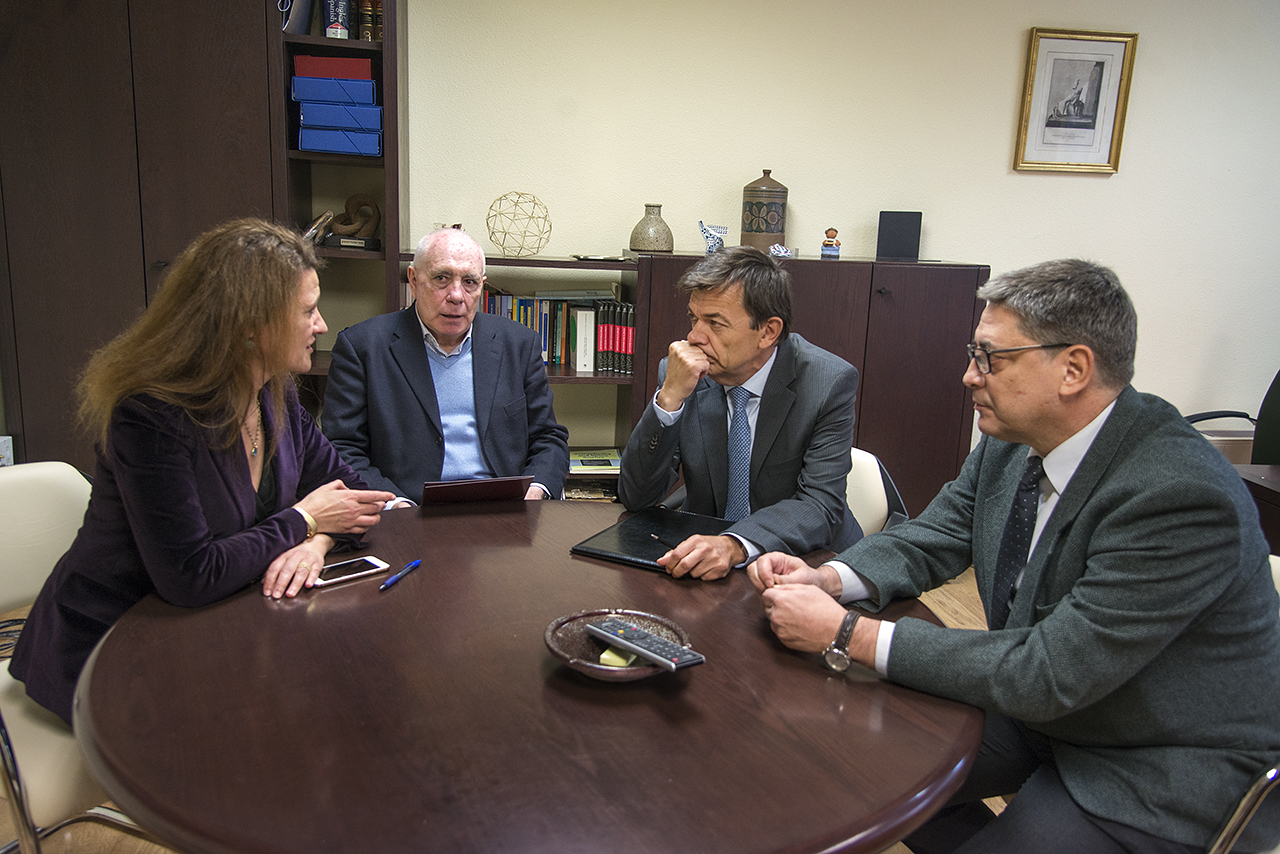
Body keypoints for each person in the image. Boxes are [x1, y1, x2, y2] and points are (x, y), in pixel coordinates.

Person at [750, 259, 1280, 854]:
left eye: (989, 358)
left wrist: (847, 633)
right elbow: (937, 534)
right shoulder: (1013, 440)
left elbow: (1049, 672)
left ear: (1073, 369)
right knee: (839, 766)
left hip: (1156, 765)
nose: (969, 376)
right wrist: (829, 579)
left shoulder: (1179, 495)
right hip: (1041, 711)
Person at [10, 218, 396, 724]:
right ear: (250, 325)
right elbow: (191, 576)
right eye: (307, 311)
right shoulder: (149, 415)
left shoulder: (275, 393)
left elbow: (356, 496)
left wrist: (316, 542)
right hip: (113, 650)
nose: (321, 325)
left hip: (215, 626)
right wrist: (305, 519)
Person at [618, 246, 862, 581]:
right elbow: (636, 497)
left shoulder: (827, 383)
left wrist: (734, 544)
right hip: (708, 561)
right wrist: (669, 397)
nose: (693, 337)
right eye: (693, 318)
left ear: (768, 332)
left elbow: (820, 506)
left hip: (807, 564)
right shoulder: (682, 375)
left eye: (715, 323)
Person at [322, 228, 569, 501]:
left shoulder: (519, 344)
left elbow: (548, 438)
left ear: (482, 286)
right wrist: (394, 505)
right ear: (413, 280)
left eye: (469, 282)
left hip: (504, 507)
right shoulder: (361, 347)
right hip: (408, 508)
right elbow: (342, 448)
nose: (456, 295)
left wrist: (535, 492)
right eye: (441, 278)